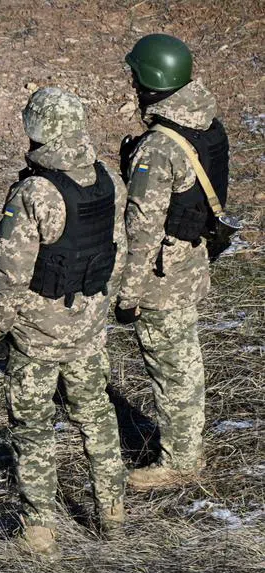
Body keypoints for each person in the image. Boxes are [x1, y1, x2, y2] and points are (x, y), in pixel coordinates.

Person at [0, 88, 129, 557]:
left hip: (36, 336)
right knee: (97, 415)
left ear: (37, 130)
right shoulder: (109, 181)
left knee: (32, 428)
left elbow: (10, 272)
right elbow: (119, 252)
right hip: (88, 328)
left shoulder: (35, 192)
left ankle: (39, 530)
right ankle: (112, 511)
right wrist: (97, 310)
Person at [116, 34, 228, 491]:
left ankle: (181, 461)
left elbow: (142, 229)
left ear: (150, 79)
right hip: (191, 259)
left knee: (172, 364)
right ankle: (187, 443)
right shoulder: (204, 122)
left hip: (162, 273)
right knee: (184, 356)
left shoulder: (158, 148)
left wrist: (129, 292)